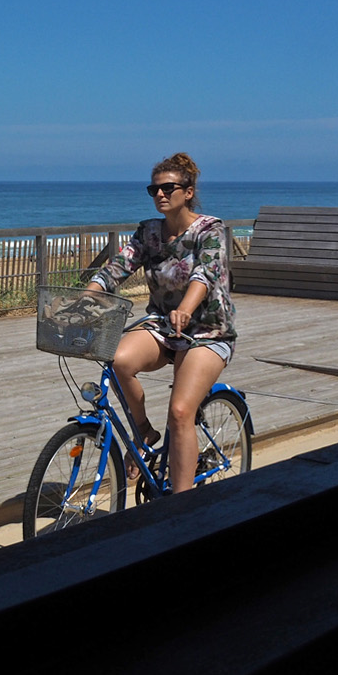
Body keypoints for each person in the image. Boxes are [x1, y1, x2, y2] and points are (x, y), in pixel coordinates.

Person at [84, 152, 235, 494]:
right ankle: (143, 433)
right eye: (154, 189)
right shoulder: (149, 232)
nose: (160, 194)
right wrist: (87, 294)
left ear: (189, 191)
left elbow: (205, 274)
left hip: (207, 330)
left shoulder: (209, 230)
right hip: (164, 326)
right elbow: (118, 267)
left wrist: (186, 307)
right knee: (118, 359)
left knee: (181, 412)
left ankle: (179, 512)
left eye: (168, 188)